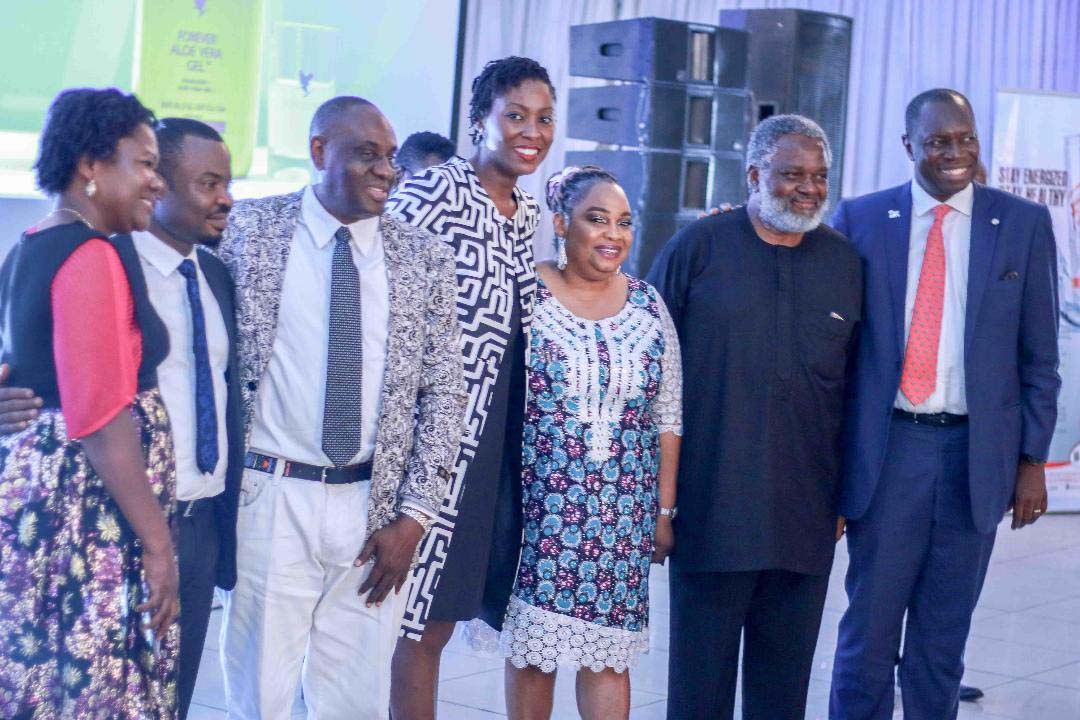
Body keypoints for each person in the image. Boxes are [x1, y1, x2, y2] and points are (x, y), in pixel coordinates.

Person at [216, 96, 466, 719]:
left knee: (353, 701)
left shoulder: (423, 256)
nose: (387, 169)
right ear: (319, 151)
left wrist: (414, 517)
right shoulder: (249, 232)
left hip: (371, 510)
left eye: (389, 156)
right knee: (260, 697)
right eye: (366, 155)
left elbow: (445, 391)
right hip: (270, 496)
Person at [0, 117, 244, 720]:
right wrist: (158, 545)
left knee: (156, 693)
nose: (152, 183)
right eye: (146, 166)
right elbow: (98, 416)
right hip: (108, 527)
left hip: (191, 517)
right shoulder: (96, 254)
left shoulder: (214, 271)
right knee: (101, 692)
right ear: (91, 167)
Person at [829, 88, 1060, 720]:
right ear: (909, 147)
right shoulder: (862, 219)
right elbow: (835, 346)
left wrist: (1032, 460)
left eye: (965, 139)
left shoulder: (1021, 223)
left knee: (942, 640)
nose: (955, 153)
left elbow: (1040, 356)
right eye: (938, 141)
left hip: (974, 459)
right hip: (890, 452)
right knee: (869, 636)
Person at [647, 114, 862, 720]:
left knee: (782, 692)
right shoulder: (696, 249)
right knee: (699, 689)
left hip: (805, 515)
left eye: (819, 176)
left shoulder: (844, 263)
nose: (809, 189)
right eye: (792, 174)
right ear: (754, 175)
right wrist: (658, 502)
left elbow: (857, 388)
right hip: (710, 511)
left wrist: (847, 494)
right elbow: (649, 376)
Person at [386, 56, 556, 719]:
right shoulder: (435, 192)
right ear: (478, 120)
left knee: (445, 616)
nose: (530, 131)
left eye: (543, 119)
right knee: (416, 621)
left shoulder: (525, 210)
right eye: (514, 115)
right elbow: (387, 309)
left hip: (494, 446)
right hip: (437, 445)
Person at [497, 166, 681, 720]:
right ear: (560, 223)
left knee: (608, 658)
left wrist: (663, 510)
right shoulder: (524, 294)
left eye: (624, 223)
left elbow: (668, 412)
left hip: (621, 517)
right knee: (535, 653)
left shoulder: (648, 305)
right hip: (540, 514)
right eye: (596, 219)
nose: (613, 235)